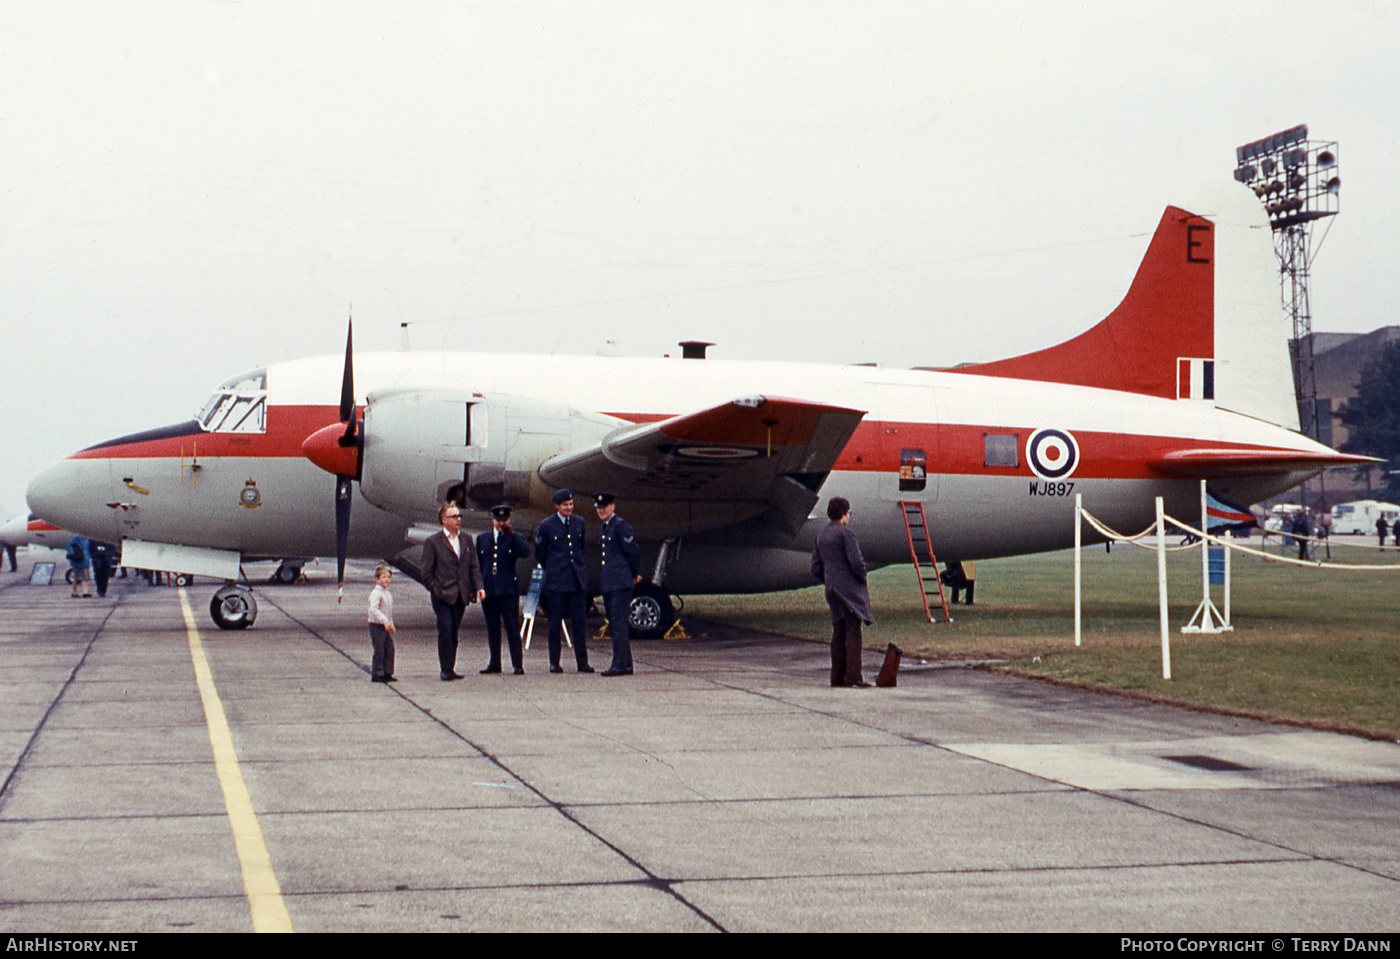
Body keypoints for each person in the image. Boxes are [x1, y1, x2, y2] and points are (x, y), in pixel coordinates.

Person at [811, 497, 875, 688]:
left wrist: (829, 579)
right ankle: (853, 677)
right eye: (849, 513)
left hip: (830, 587)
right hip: (847, 589)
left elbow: (815, 567)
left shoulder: (821, 535)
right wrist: (862, 576)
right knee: (853, 630)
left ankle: (837, 677)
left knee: (838, 631)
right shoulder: (846, 534)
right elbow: (856, 562)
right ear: (844, 514)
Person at [421, 502, 485, 680]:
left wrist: (478, 587)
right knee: (446, 629)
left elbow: (473, 566)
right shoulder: (433, 541)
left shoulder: (466, 539)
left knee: (454, 632)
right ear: (444, 520)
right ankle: (445, 670)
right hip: (442, 595)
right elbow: (426, 572)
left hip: (460, 594)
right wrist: (436, 588)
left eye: (459, 516)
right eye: (454, 516)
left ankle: (451, 666)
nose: (458, 519)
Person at [534, 488, 591, 673]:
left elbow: (580, 548)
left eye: (571, 504)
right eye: (565, 505)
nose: (569, 508)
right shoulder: (546, 525)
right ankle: (554, 662)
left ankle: (582, 662)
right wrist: (555, 568)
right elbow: (540, 554)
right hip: (557, 581)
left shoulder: (579, 523)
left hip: (576, 580)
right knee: (554, 623)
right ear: (557, 506)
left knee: (579, 623)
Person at [475, 505, 531, 675]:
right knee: (492, 627)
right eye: (498, 520)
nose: (501, 523)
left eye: (504, 520)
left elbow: (525, 552)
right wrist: (479, 587)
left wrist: (512, 533)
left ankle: (517, 664)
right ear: (493, 520)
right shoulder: (482, 539)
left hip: (508, 590)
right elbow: (480, 564)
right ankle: (494, 663)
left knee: (512, 627)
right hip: (490, 589)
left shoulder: (514, 538)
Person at [595, 492, 643, 676]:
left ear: (612, 507)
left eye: (604, 507)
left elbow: (633, 552)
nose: (601, 511)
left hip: (620, 582)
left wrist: (633, 574)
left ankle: (619, 665)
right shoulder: (606, 527)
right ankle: (626, 664)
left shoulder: (620, 526)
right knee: (615, 623)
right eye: (599, 508)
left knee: (618, 623)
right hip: (610, 582)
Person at [367, 564, 397, 683]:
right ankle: (377, 673)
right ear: (377, 579)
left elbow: (388, 612)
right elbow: (374, 610)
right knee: (379, 649)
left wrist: (391, 624)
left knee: (389, 648)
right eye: (383, 577)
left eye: (388, 577)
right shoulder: (376, 594)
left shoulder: (387, 594)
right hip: (376, 625)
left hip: (385, 625)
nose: (386, 580)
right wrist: (384, 621)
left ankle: (387, 672)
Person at [66, 534, 93, 598]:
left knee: (84, 577)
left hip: (84, 560)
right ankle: (76, 592)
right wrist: (72, 554)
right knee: (77, 578)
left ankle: (84, 592)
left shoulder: (87, 538)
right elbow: (69, 545)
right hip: (78, 560)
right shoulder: (77, 537)